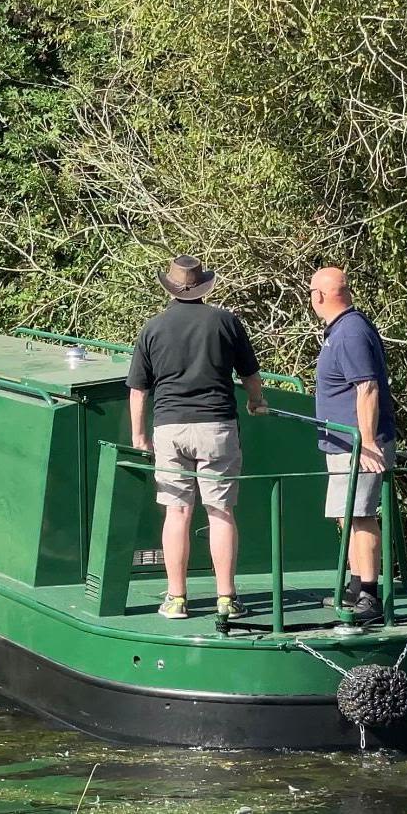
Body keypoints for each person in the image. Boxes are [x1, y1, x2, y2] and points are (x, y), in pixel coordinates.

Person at [127, 255, 268, 620]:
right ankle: (227, 598)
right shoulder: (226, 322)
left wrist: (139, 436)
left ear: (170, 287)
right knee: (220, 511)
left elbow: (138, 391)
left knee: (177, 512)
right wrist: (256, 402)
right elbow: (251, 376)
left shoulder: (153, 328)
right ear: (204, 286)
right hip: (217, 426)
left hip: (170, 428)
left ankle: (176, 599)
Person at [308, 267, 398, 624]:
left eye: (311, 291)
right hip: (342, 444)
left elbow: (367, 388)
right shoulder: (342, 330)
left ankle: (370, 597)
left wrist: (369, 442)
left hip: (357, 445)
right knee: (346, 515)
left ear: (320, 296)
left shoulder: (350, 333)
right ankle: (356, 584)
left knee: (360, 515)